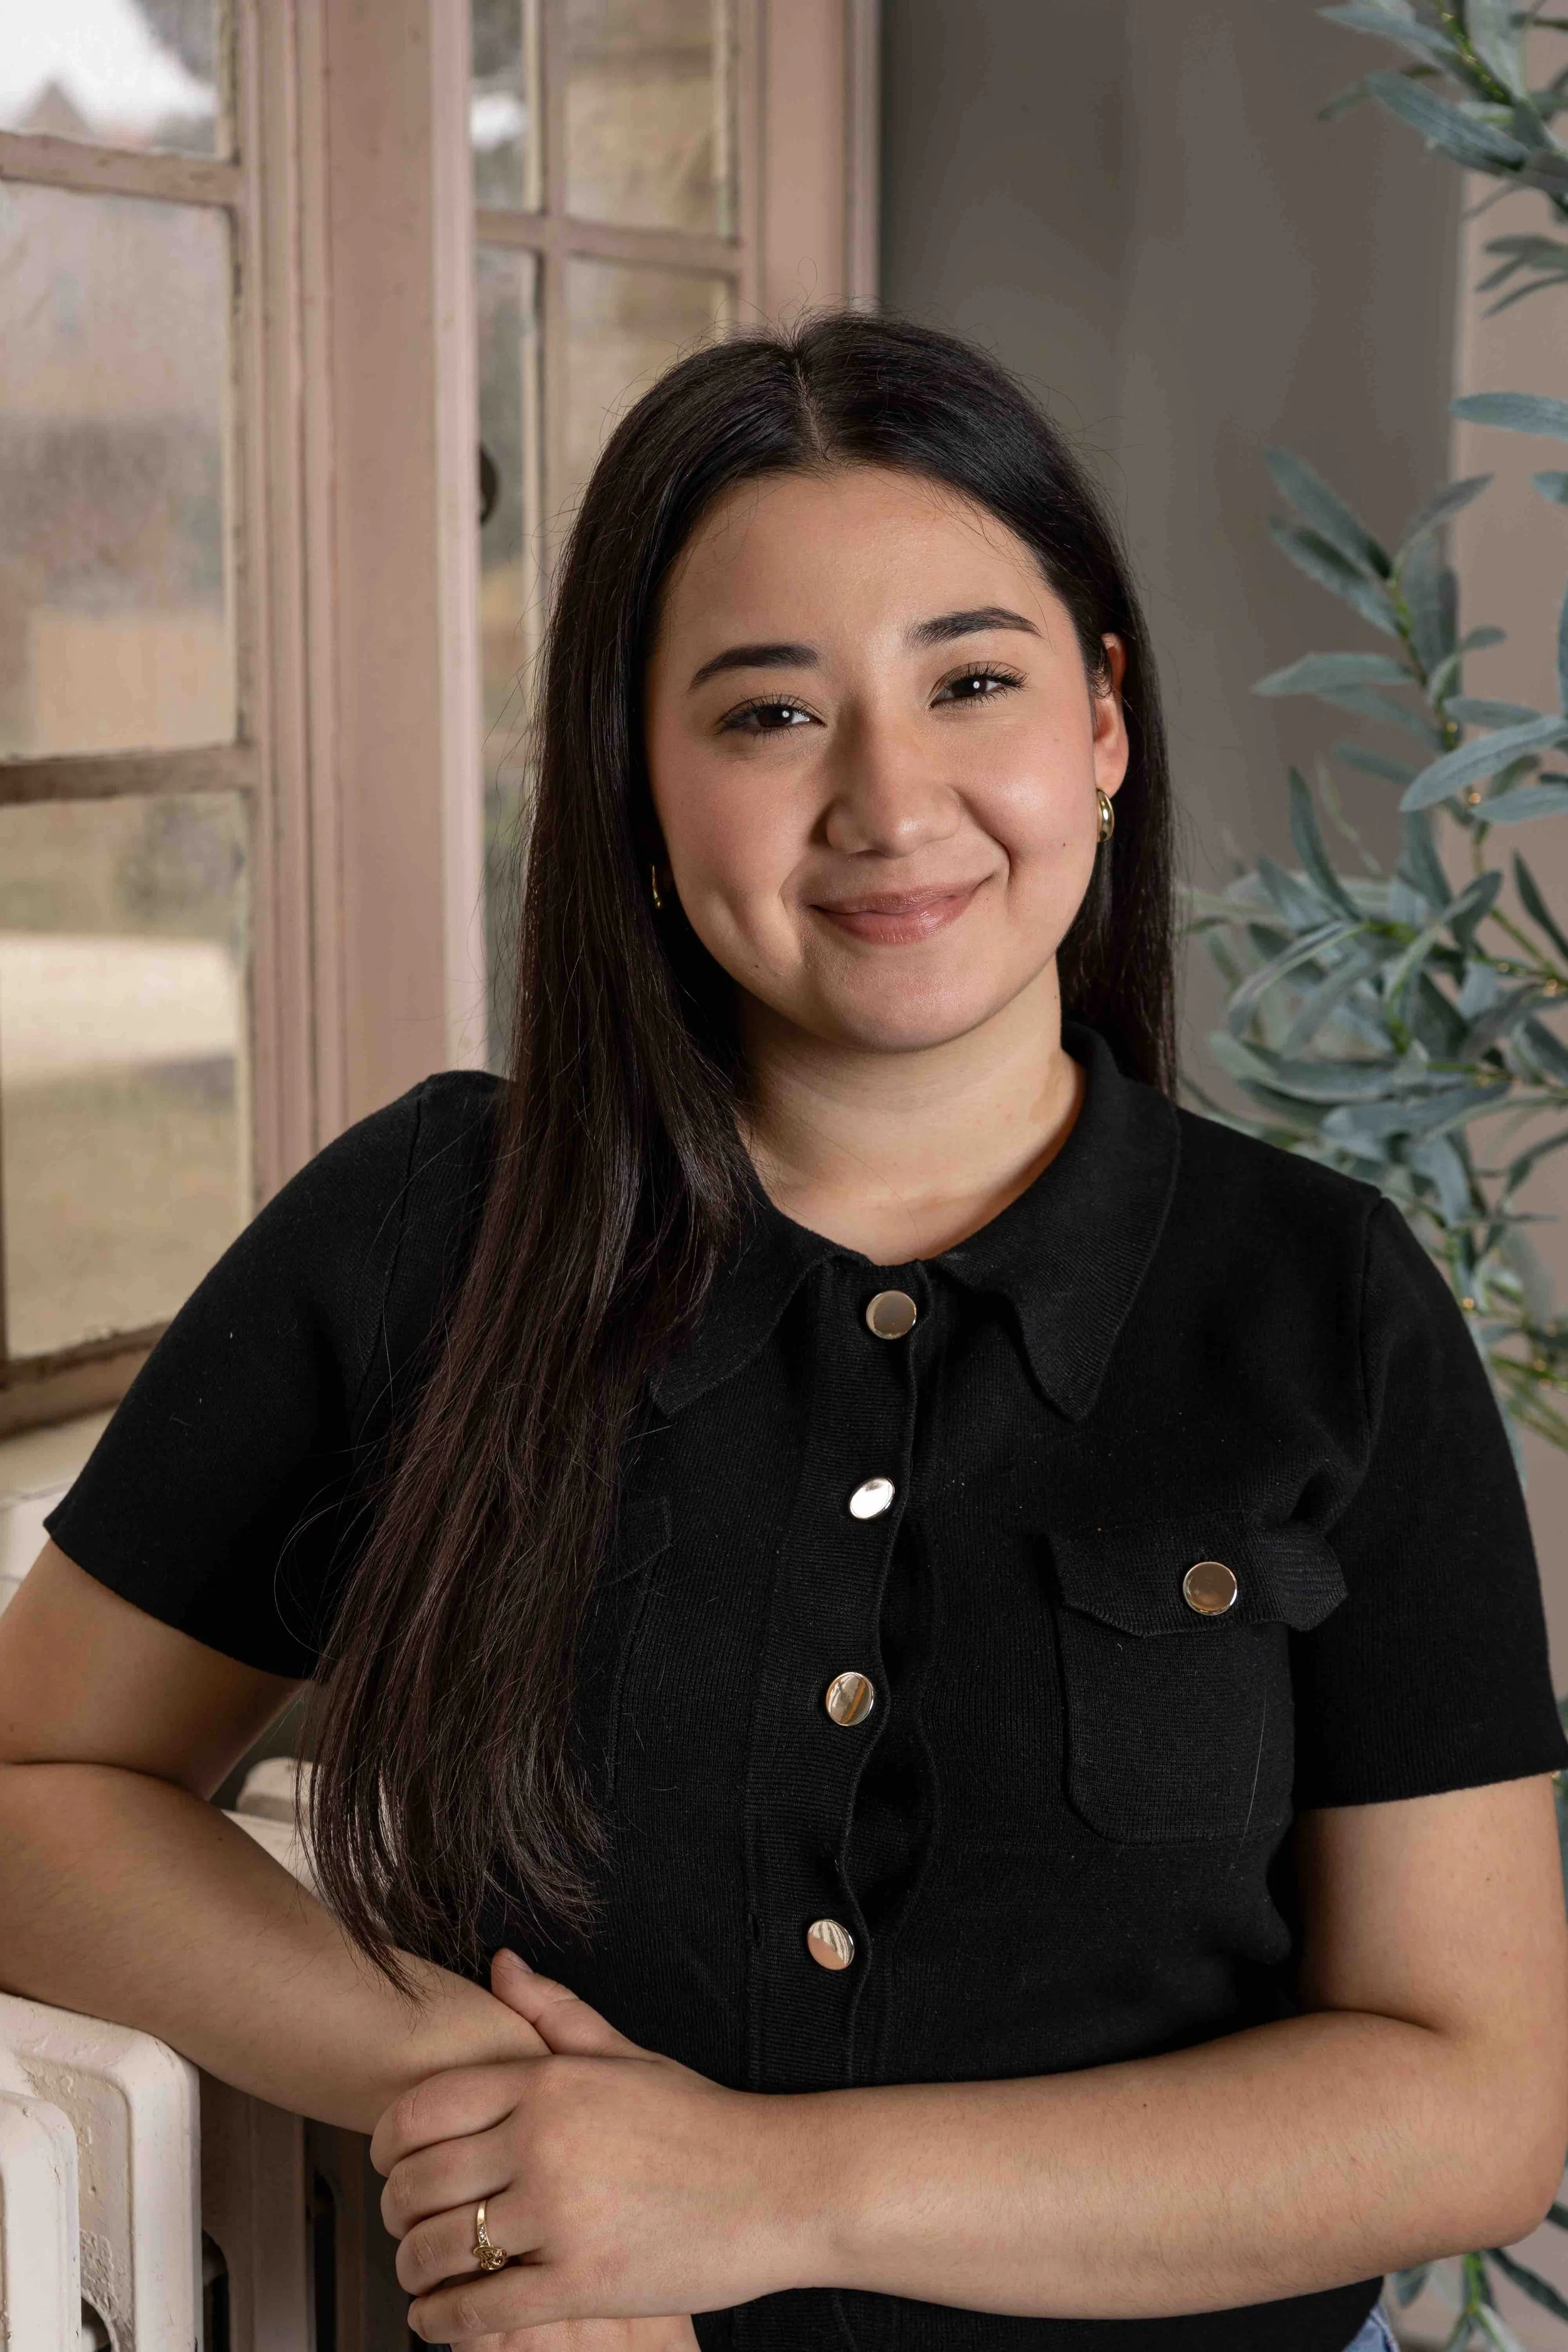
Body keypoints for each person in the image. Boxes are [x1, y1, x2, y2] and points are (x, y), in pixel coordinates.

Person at [1, 313, 1564, 2352]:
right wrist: (488, 2110)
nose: (887, 801)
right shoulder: (425, 1231)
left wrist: (760, 2192)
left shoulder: (1322, 1302)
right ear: (637, 791)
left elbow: (1471, 2100)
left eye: (973, 681)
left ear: (1099, 719)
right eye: (764, 716)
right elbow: (36, 1777)